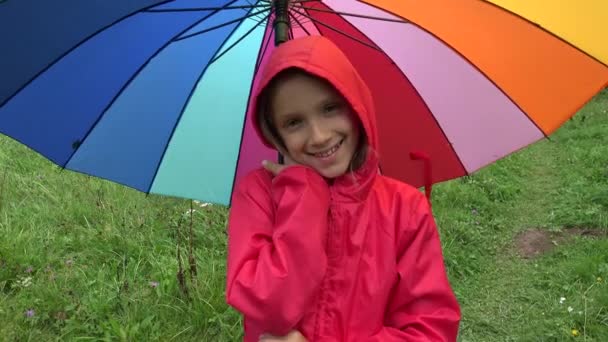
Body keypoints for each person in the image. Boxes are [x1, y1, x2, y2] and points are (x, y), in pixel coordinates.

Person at [225, 35, 461, 342]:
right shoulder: (258, 195)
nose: (320, 136)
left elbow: (430, 329)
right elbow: (269, 306)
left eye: (330, 108)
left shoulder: (404, 208)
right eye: (294, 122)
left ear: (355, 106)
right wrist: (304, 198)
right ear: (276, 134)